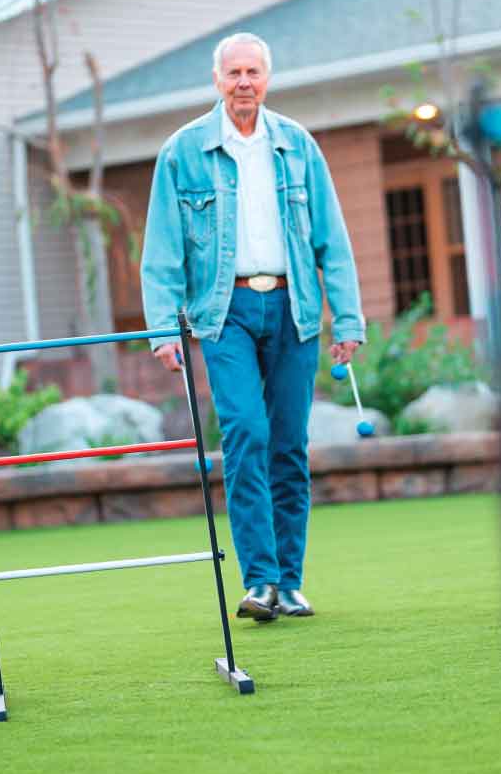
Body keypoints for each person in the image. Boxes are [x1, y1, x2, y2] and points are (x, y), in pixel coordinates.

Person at [141, 32, 364, 623]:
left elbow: (331, 241)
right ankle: (259, 580)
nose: (244, 82)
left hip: (295, 309)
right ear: (217, 80)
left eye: (254, 72)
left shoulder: (297, 145)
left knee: (289, 445)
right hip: (225, 312)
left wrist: (348, 318)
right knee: (245, 432)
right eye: (234, 72)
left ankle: (291, 582)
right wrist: (163, 327)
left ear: (267, 78)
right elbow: (162, 250)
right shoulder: (183, 151)